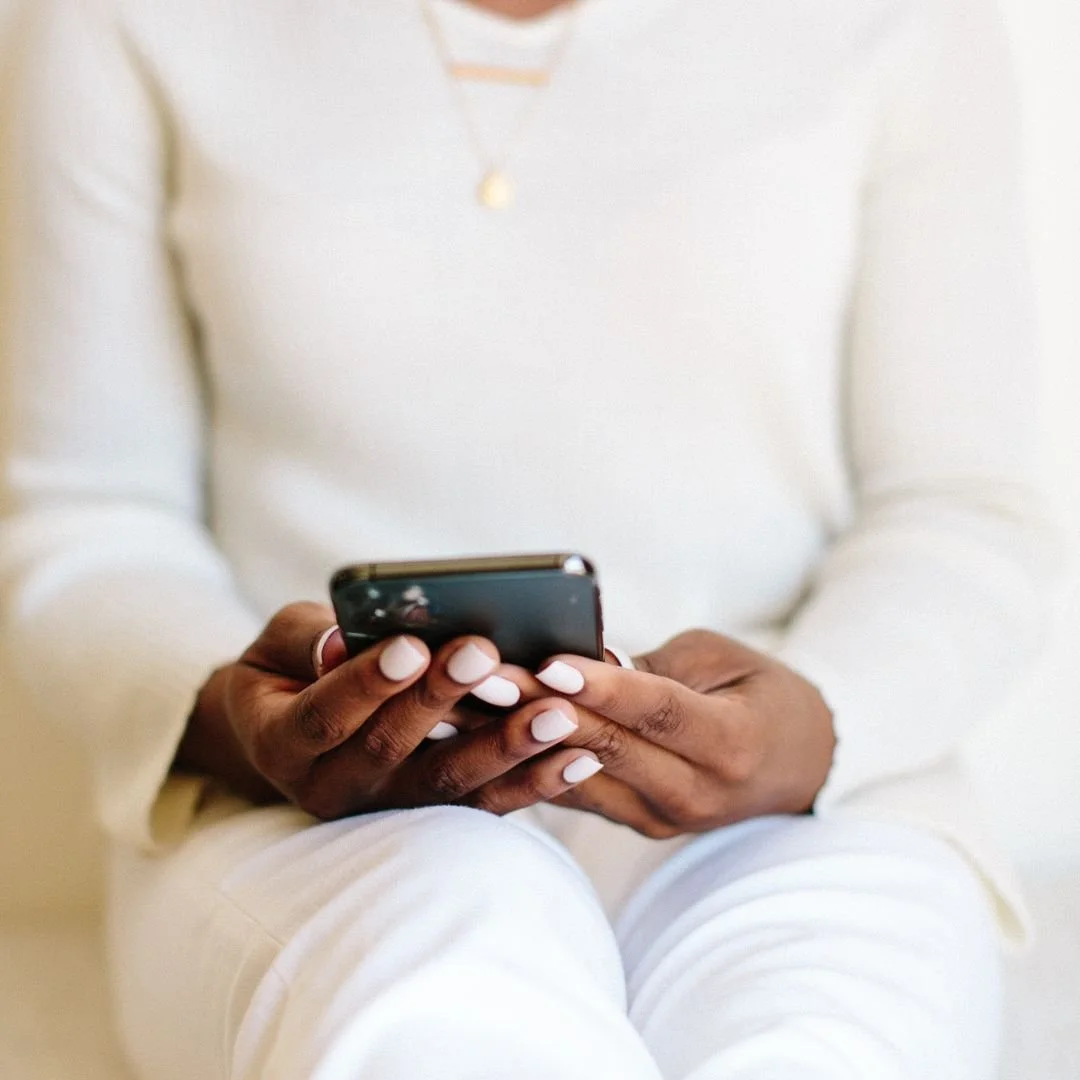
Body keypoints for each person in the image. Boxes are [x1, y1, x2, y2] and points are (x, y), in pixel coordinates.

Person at [0, 0, 1060, 1076]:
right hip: (304, 816)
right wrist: (238, 714)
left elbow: (960, 509)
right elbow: (89, 511)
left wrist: (825, 719)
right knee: (433, 996)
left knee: (823, 1042)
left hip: (798, 799)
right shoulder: (122, 20)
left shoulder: (906, 21)